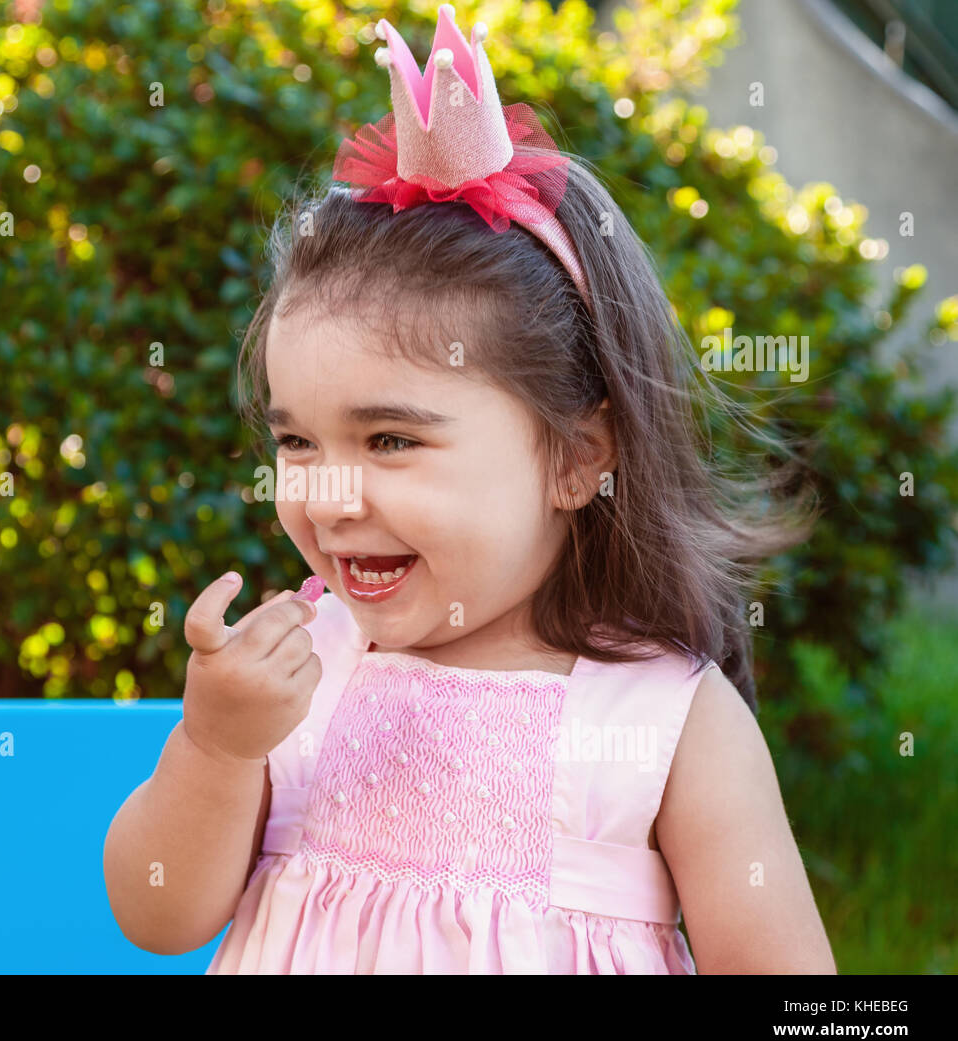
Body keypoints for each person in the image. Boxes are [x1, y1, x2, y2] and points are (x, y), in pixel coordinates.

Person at [103, 4, 837, 975]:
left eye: (391, 437)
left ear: (576, 458)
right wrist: (215, 744)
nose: (328, 493)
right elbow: (158, 913)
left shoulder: (661, 720)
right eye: (294, 439)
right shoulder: (300, 671)